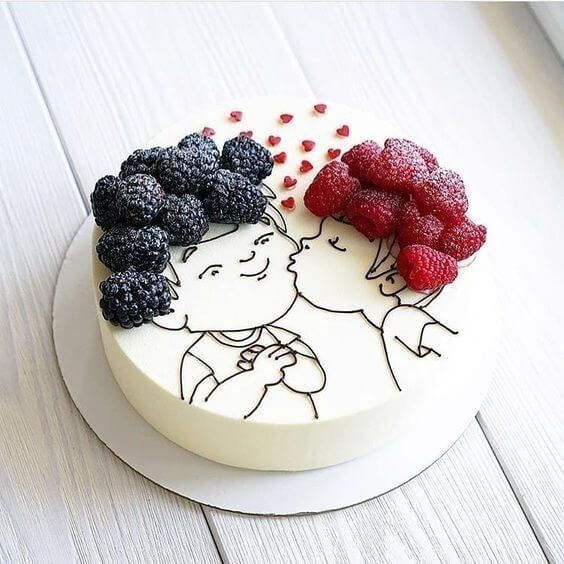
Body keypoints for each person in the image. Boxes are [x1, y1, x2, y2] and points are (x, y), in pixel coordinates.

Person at [155, 206, 326, 420]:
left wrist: (288, 366)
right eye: (214, 271)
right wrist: (257, 376)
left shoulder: (280, 336)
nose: (250, 260)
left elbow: (314, 381)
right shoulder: (199, 357)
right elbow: (204, 411)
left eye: (263, 241)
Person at [290, 216, 457, 391]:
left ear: (385, 276)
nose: (305, 242)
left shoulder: (409, 332)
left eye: (334, 242)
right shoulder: (316, 333)